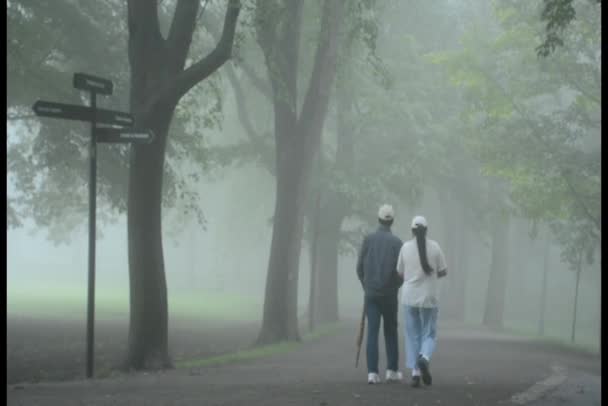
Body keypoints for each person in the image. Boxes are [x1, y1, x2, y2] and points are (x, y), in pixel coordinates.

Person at [397, 215, 447, 388]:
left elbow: (400, 273)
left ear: (412, 230)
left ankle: (416, 373)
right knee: (429, 333)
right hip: (429, 297)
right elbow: (443, 271)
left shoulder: (405, 247)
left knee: (412, 335)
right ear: (426, 230)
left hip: (409, 296)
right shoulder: (435, 247)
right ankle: (424, 358)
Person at [356, 204, 404, 384]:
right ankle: (391, 370)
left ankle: (372, 373)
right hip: (389, 294)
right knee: (391, 331)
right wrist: (395, 286)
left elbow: (359, 267)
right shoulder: (397, 243)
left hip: (371, 294)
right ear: (392, 221)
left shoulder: (368, 240)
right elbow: (401, 272)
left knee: (372, 332)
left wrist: (366, 285)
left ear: (378, 219)